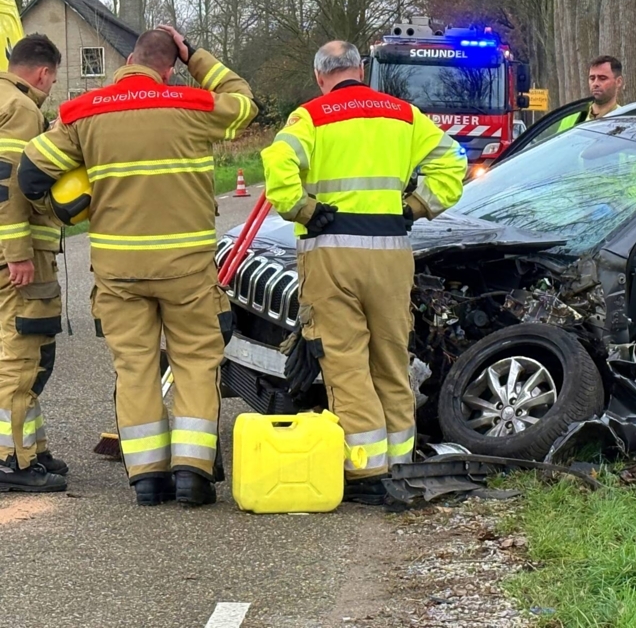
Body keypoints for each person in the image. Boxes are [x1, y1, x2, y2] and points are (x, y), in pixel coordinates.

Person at [18, 26, 258, 507]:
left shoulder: (83, 113)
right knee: (194, 362)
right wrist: (198, 59)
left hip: (118, 270)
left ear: (128, 59)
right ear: (169, 66)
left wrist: (71, 205)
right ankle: (192, 473)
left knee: (135, 368)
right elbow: (243, 100)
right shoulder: (192, 105)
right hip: (186, 269)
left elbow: (30, 173)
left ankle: (148, 479)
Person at [261, 40, 466, 504]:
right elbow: (453, 162)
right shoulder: (403, 115)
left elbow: (277, 164)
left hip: (332, 254)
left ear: (320, 76)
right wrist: (416, 206)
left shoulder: (309, 117)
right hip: (392, 254)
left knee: (346, 360)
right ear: (361, 69)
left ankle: (366, 471)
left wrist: (302, 209)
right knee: (391, 358)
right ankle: (400, 464)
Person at [0, 34, 65, 493]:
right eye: (55, 78)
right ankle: (11, 461)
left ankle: (33, 449)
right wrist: (19, 252)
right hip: (17, 258)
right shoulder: (22, 109)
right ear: (42, 73)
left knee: (23, 349)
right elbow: (9, 185)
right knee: (23, 352)